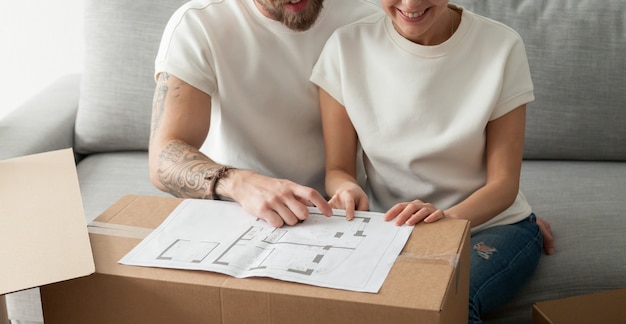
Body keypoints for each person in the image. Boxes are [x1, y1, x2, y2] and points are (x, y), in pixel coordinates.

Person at [148, 0, 555, 253]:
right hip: (243, 208)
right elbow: (164, 158)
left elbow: (439, 101)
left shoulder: (375, 14)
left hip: (340, 217)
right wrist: (241, 183)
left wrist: (500, 220)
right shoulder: (199, 24)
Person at [311, 2, 545, 324]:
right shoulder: (345, 48)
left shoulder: (500, 46)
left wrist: (444, 220)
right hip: (395, 231)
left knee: (451, 296)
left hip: (493, 225)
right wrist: (346, 189)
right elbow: (338, 169)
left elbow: (504, 185)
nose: (411, 4)